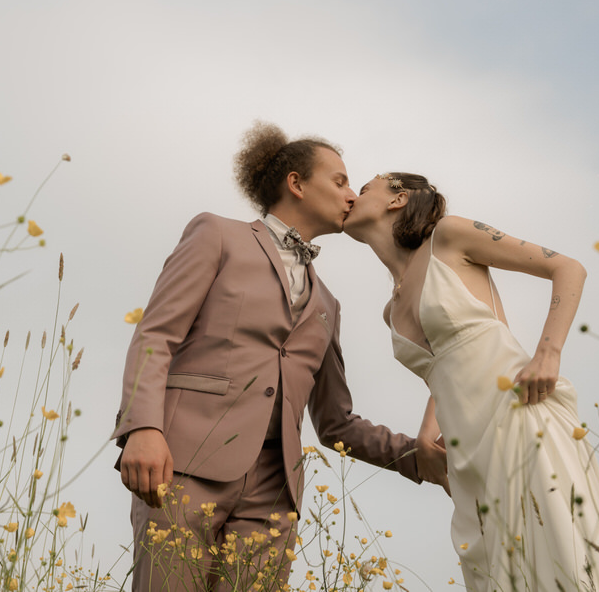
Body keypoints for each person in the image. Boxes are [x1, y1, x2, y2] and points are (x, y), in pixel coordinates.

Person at [111, 124, 448, 592]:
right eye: (340, 181)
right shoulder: (218, 235)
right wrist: (142, 427)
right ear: (296, 183)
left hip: (273, 496)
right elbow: (156, 334)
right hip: (185, 465)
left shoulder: (327, 304)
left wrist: (418, 458)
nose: (352, 195)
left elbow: (336, 423)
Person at [342, 171, 599, 591]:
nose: (349, 198)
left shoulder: (450, 237)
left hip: (521, 418)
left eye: (363, 189)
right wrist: (425, 433)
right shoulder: (391, 309)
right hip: (467, 457)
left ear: (398, 199)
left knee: (563, 561)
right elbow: (446, 372)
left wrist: (548, 352)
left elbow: (568, 268)